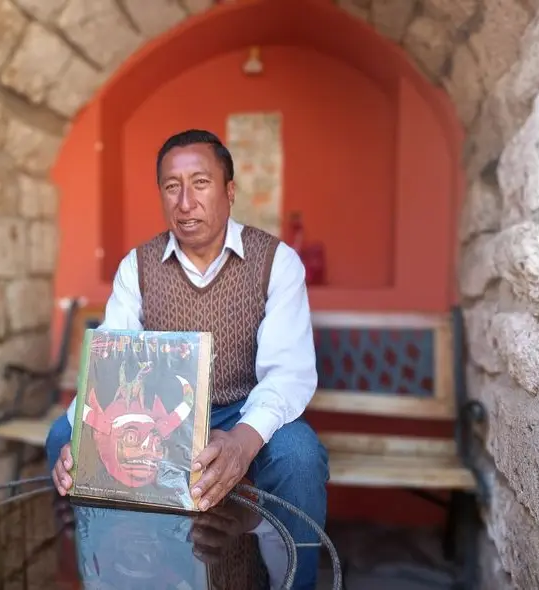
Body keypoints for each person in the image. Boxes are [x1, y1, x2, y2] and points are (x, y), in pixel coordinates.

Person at [45, 129, 329, 588]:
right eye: (171, 186)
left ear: (229, 191)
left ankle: (296, 583)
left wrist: (241, 442)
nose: (185, 202)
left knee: (299, 455)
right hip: (159, 414)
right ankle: (120, 567)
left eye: (200, 183)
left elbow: (286, 375)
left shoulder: (276, 262)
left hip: (243, 408)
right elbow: (110, 366)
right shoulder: (138, 267)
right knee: (64, 436)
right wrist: (84, 433)